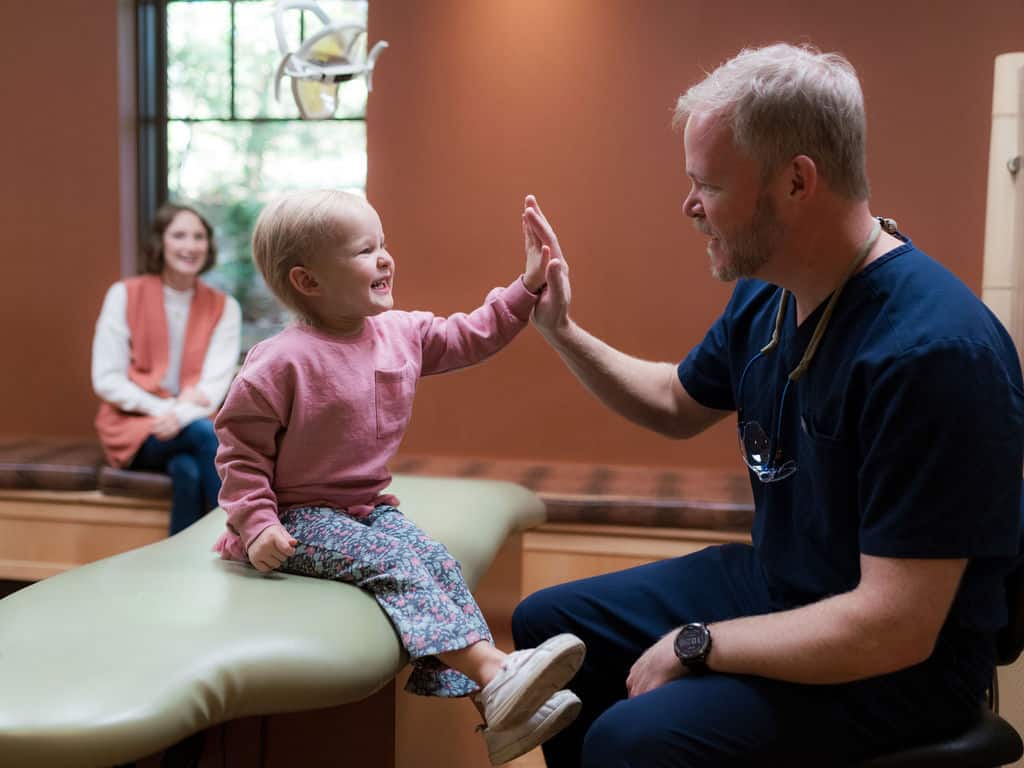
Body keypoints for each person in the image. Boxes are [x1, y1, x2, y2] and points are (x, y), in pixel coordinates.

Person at [512, 42, 1024, 767]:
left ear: (796, 182)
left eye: (708, 185)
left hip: (904, 664)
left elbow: (896, 625)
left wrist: (697, 646)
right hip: (785, 587)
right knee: (550, 625)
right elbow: (672, 402)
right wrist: (560, 331)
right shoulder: (772, 293)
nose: (689, 206)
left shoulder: (931, 353)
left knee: (630, 741)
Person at [212, 189, 585, 766]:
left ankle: (498, 709)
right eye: (366, 250)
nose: (386, 258)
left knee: (435, 559)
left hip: (365, 508)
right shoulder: (280, 360)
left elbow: (473, 333)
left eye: (383, 244)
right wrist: (257, 524)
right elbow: (239, 452)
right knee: (397, 565)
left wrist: (528, 283)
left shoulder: (400, 333)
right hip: (295, 519)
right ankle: (494, 668)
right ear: (309, 282)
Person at [92, 202, 241, 536]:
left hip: (192, 421)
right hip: (137, 426)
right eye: (179, 235)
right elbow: (106, 379)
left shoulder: (225, 307)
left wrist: (182, 414)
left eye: (199, 237)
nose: (190, 246)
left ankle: (181, 568)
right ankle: (238, 537)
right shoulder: (123, 295)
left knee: (186, 471)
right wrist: (168, 409)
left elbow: (215, 386)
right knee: (206, 435)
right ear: (161, 242)